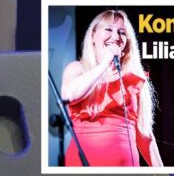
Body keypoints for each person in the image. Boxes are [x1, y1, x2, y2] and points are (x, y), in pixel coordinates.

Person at [61, 9, 162, 167]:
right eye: (108, 29)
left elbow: (144, 133)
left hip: (125, 168)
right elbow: (69, 95)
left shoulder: (133, 79)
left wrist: (161, 172)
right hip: (83, 166)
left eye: (121, 32)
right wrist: (104, 65)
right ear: (93, 36)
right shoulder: (77, 69)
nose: (115, 37)